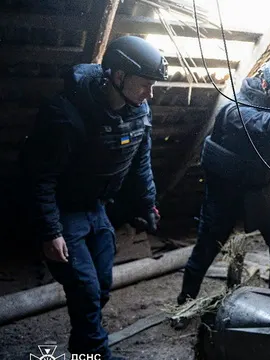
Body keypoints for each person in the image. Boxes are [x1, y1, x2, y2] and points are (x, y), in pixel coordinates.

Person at [20, 35, 168, 359]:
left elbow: (140, 162)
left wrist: (148, 202)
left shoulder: (138, 111)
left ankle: (81, 350)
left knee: (100, 286)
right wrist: (51, 232)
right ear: (118, 77)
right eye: (145, 84)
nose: (150, 93)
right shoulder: (66, 115)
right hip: (65, 212)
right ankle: (95, 353)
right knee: (86, 291)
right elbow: (40, 178)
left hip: (97, 208)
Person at [176, 58, 270, 306]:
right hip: (224, 192)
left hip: (258, 187)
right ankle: (185, 301)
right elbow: (266, 124)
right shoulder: (237, 109)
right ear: (263, 84)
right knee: (206, 249)